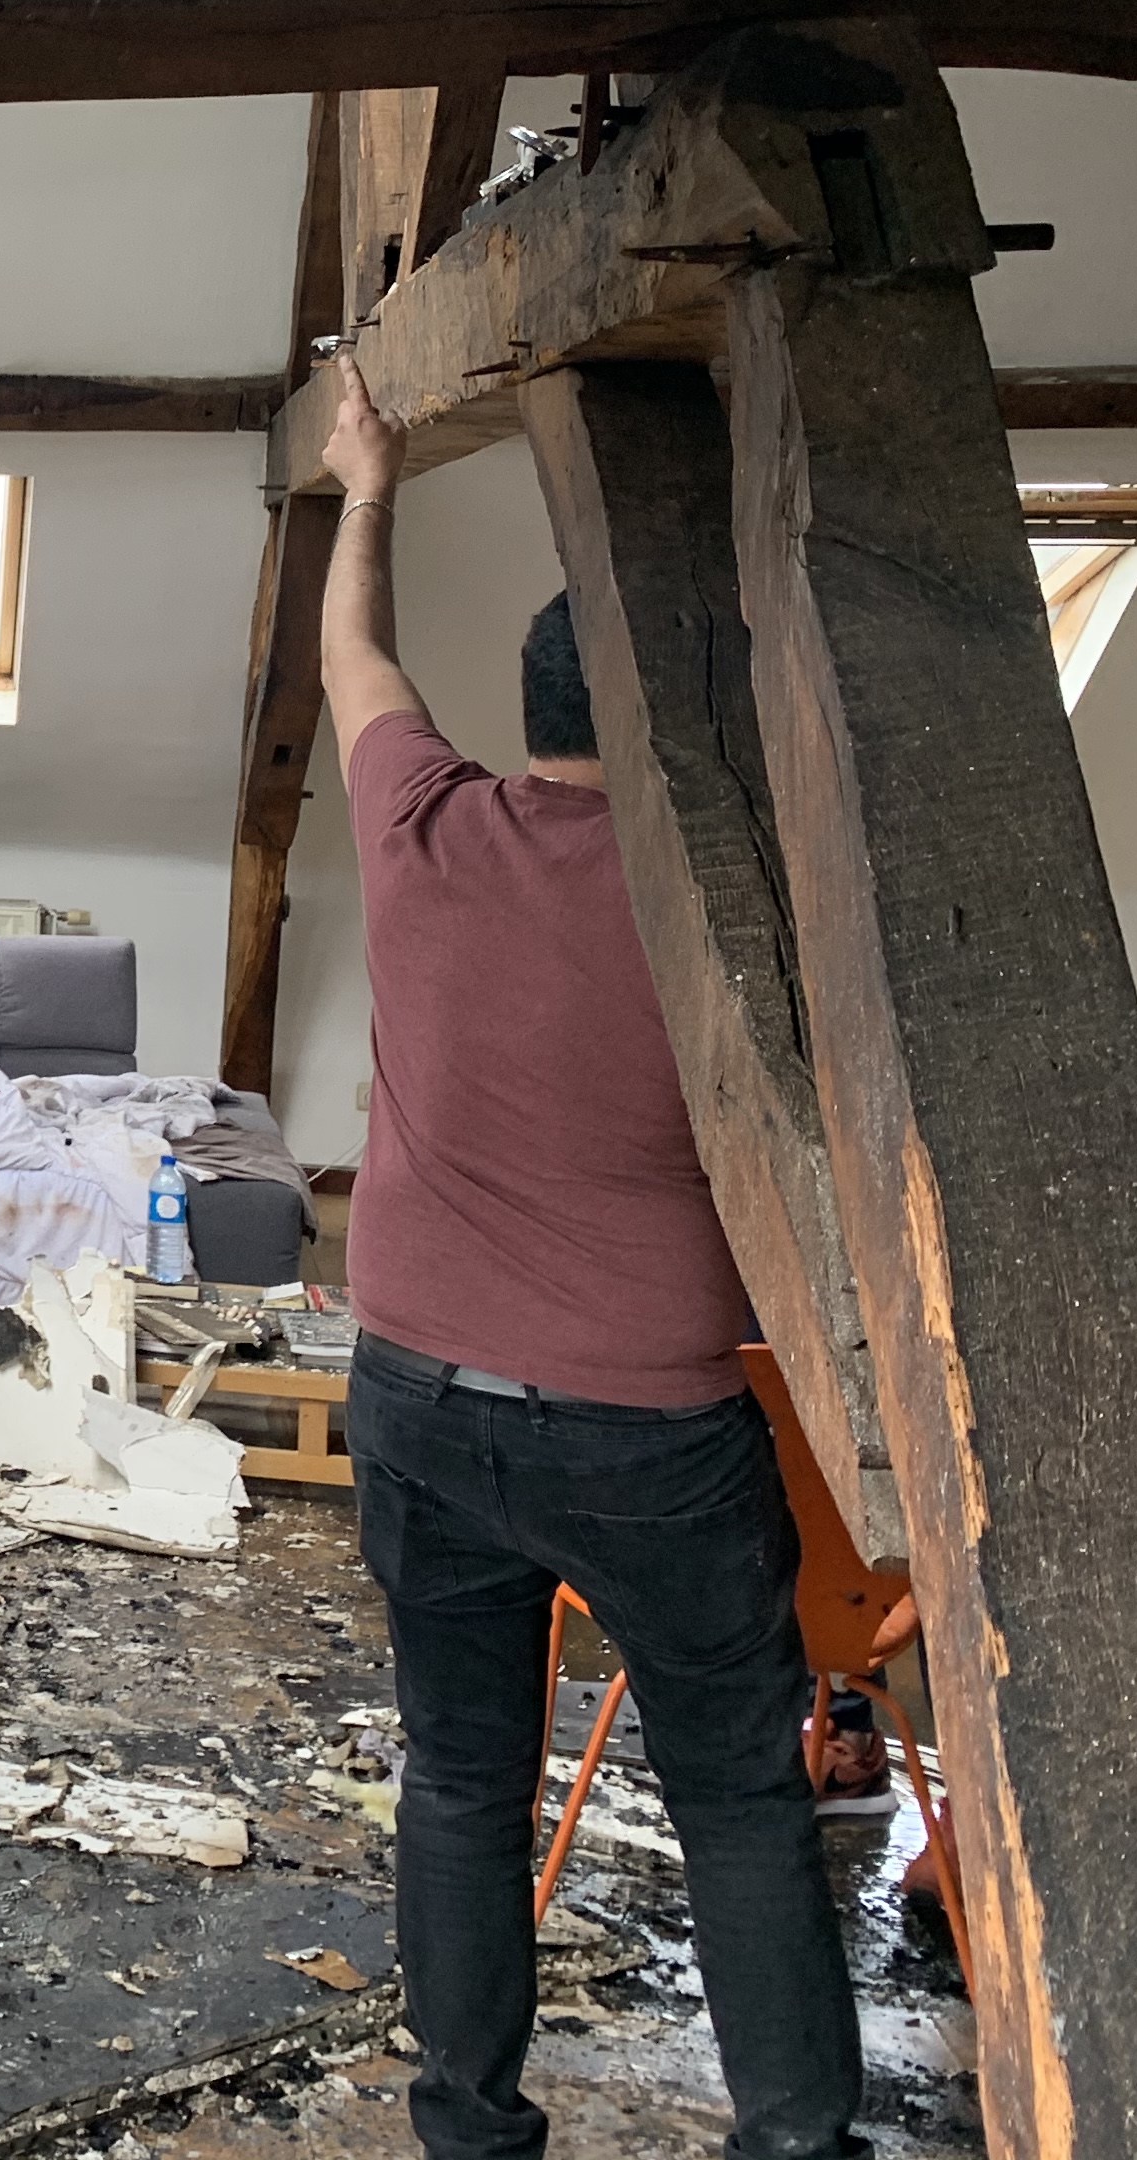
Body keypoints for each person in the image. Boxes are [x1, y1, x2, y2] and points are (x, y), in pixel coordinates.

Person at [316, 362, 868, 2160]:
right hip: (649, 1436)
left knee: (463, 1784)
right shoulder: (743, 920)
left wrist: (370, 481)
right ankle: (794, 2140)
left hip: (415, 1396)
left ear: (535, 705)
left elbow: (353, 655)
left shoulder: (422, 827)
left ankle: (469, 2130)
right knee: (739, 1803)